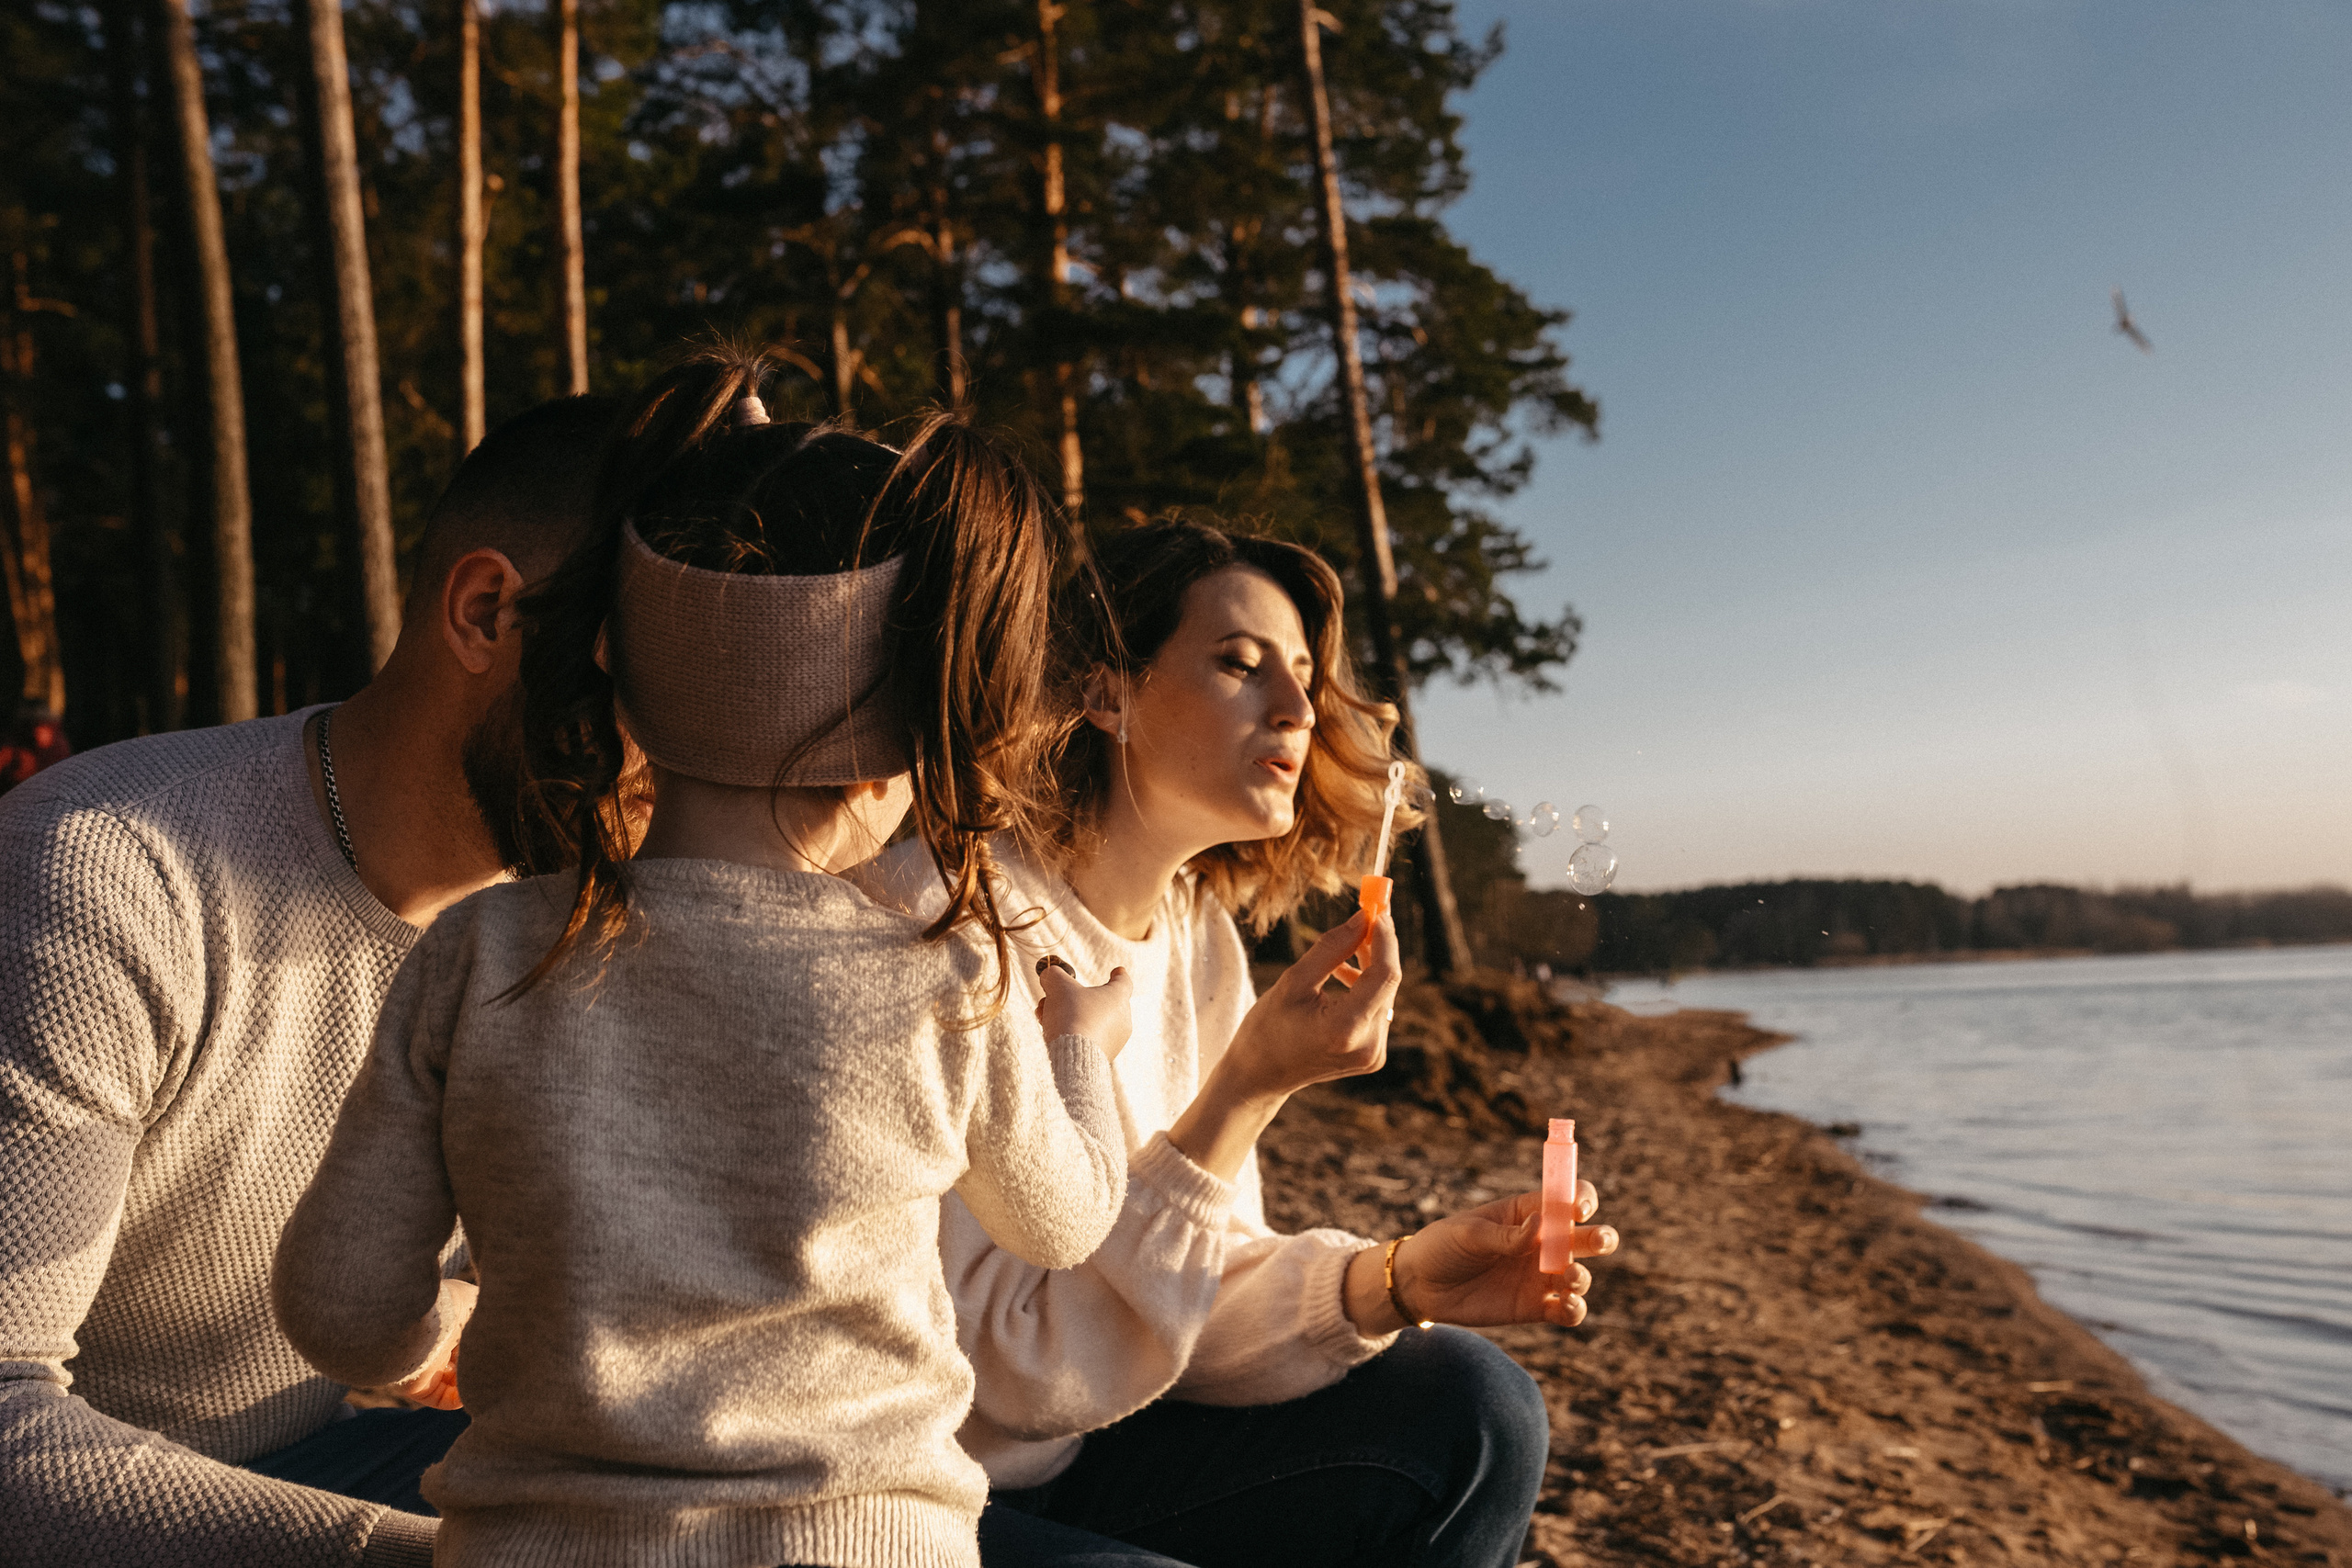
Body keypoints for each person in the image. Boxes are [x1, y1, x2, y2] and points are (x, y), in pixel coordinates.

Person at [272, 353, 1136, 1568]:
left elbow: (342, 1312)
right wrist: (1078, 1047)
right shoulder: (948, 978)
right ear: (900, 742)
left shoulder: (488, 949)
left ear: (622, 673)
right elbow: (1065, 1219)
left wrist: (454, 1330)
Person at [877, 517, 1621, 1568]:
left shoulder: (1199, 942)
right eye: (1238, 664)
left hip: (1083, 1450)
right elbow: (1012, 1371)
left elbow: (1174, 1296)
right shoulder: (955, 921)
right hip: (919, 1488)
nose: (1297, 709)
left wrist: (1392, 1283)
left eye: (1307, 678)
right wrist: (1244, 1093)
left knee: (1474, 1406)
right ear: (1105, 690)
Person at [0, 395, 616, 1568]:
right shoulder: (110, 868)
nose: (703, 750)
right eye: (657, 683)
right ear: (486, 613)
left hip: (351, 1461)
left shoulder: (591, 911)